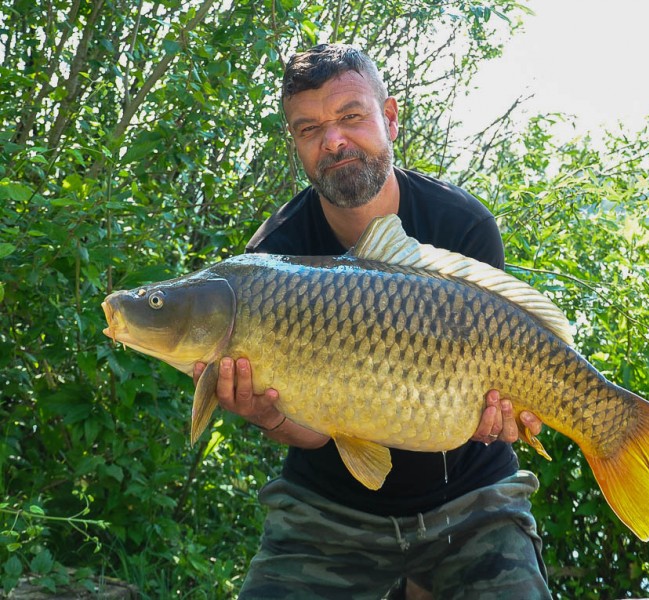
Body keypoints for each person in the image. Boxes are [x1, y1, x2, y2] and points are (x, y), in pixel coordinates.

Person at [194, 43, 552, 599]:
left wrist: (503, 413)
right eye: (309, 129)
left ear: (389, 118)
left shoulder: (462, 224)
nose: (332, 140)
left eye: (351, 117)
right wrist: (269, 416)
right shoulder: (271, 259)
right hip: (329, 509)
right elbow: (308, 431)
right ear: (296, 145)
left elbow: (502, 366)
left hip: (470, 499)